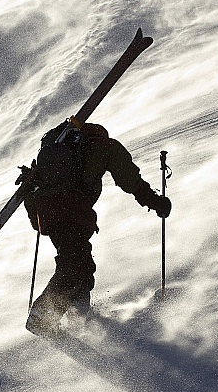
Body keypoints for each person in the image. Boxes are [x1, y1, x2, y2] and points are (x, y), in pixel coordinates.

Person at [22, 120, 171, 336]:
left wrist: (41, 221)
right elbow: (130, 180)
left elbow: (33, 196)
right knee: (74, 265)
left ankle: (78, 316)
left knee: (81, 264)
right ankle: (42, 317)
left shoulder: (53, 156)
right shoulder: (102, 145)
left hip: (51, 216)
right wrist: (156, 202)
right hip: (72, 211)